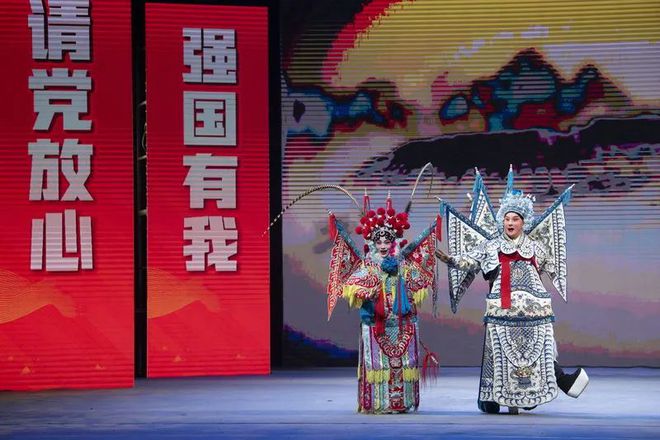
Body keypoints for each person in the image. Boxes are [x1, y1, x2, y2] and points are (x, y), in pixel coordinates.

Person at [435, 167, 589, 414]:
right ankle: (493, 397)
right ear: (502, 221)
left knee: (540, 348)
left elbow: (550, 267)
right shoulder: (492, 246)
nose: (510, 223)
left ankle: (555, 384)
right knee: (498, 353)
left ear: (523, 222)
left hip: (534, 309)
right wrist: (450, 259)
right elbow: (471, 261)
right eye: (507, 219)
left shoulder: (535, 247)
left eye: (515, 219)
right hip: (502, 309)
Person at [336, 194, 437, 413]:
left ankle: (401, 403)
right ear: (372, 243)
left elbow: (420, 285)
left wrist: (405, 289)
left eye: (387, 241)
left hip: (403, 325)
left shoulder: (404, 266)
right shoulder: (367, 267)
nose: (383, 245)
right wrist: (369, 292)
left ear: (393, 243)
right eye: (379, 242)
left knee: (405, 364)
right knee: (377, 365)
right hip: (376, 325)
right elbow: (352, 287)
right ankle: (379, 403)